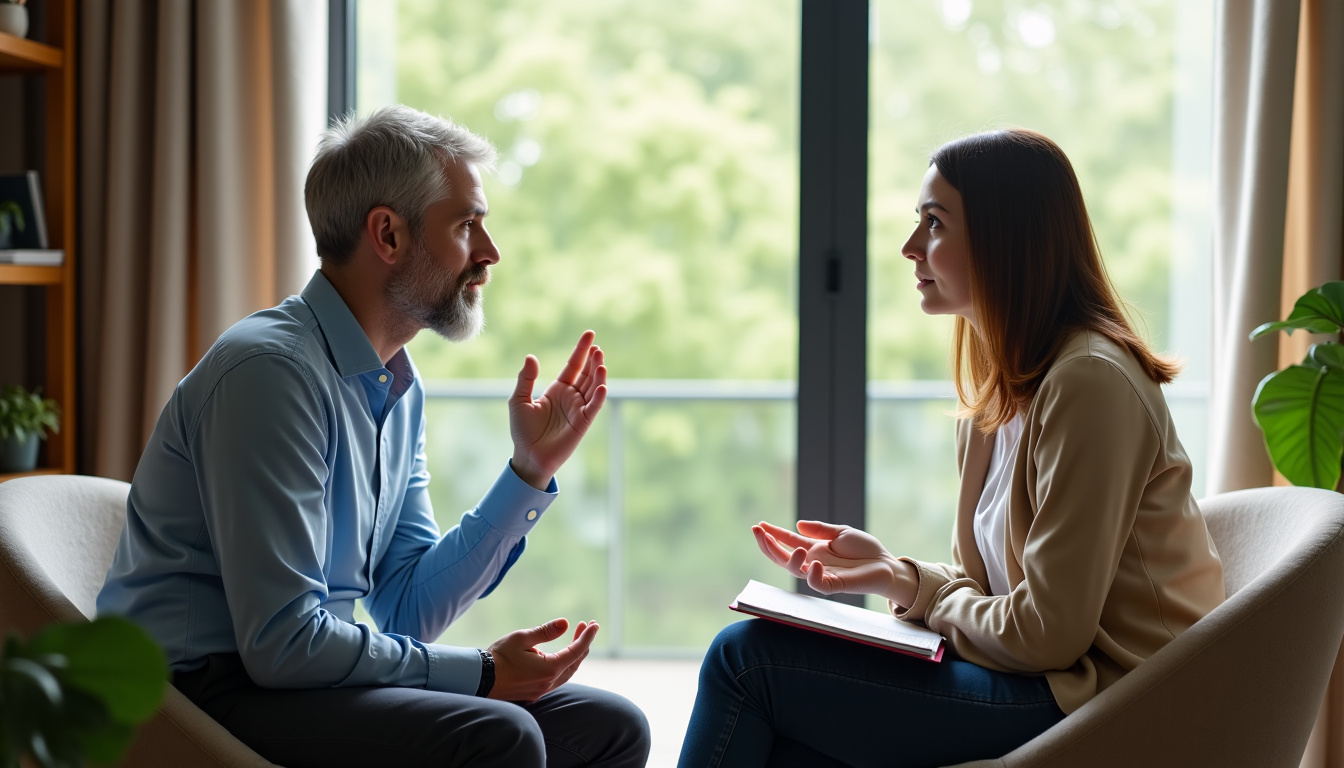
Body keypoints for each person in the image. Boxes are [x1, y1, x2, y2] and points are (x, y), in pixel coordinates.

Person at [97, 105, 650, 768]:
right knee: (501, 738)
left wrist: (528, 472)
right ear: (387, 234)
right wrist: (480, 673)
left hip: (287, 675)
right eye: (466, 224)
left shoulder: (394, 385)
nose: (489, 253)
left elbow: (407, 606)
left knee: (611, 727)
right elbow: (281, 644)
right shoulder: (271, 374)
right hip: (201, 692)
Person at [676, 128, 1225, 768]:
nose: (911, 248)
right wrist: (897, 576)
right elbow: (991, 591)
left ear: (1005, 240)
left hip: (1112, 702)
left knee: (744, 661)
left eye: (934, 225)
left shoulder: (1090, 381)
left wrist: (932, 601)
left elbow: (1048, 633)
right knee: (791, 749)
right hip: (1045, 683)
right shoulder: (999, 395)